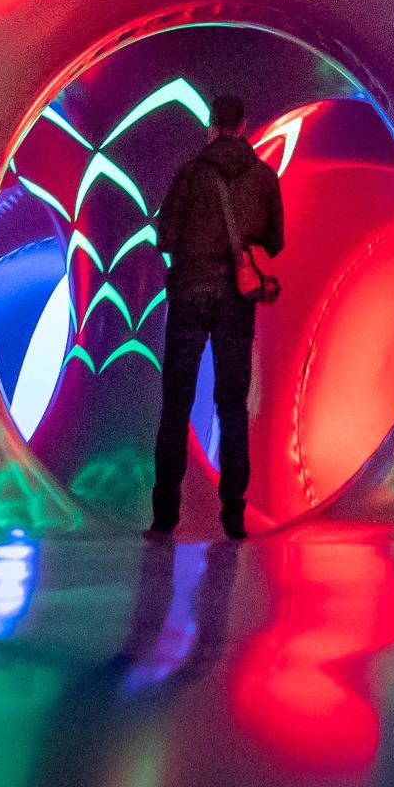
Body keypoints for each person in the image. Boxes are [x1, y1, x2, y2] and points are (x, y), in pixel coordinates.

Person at [149, 94, 284, 539]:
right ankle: (234, 517)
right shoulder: (264, 176)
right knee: (232, 405)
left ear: (211, 124)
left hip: (189, 291)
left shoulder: (189, 173)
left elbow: (165, 236)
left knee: (176, 403)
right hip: (235, 299)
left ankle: (165, 516)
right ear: (244, 125)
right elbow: (275, 240)